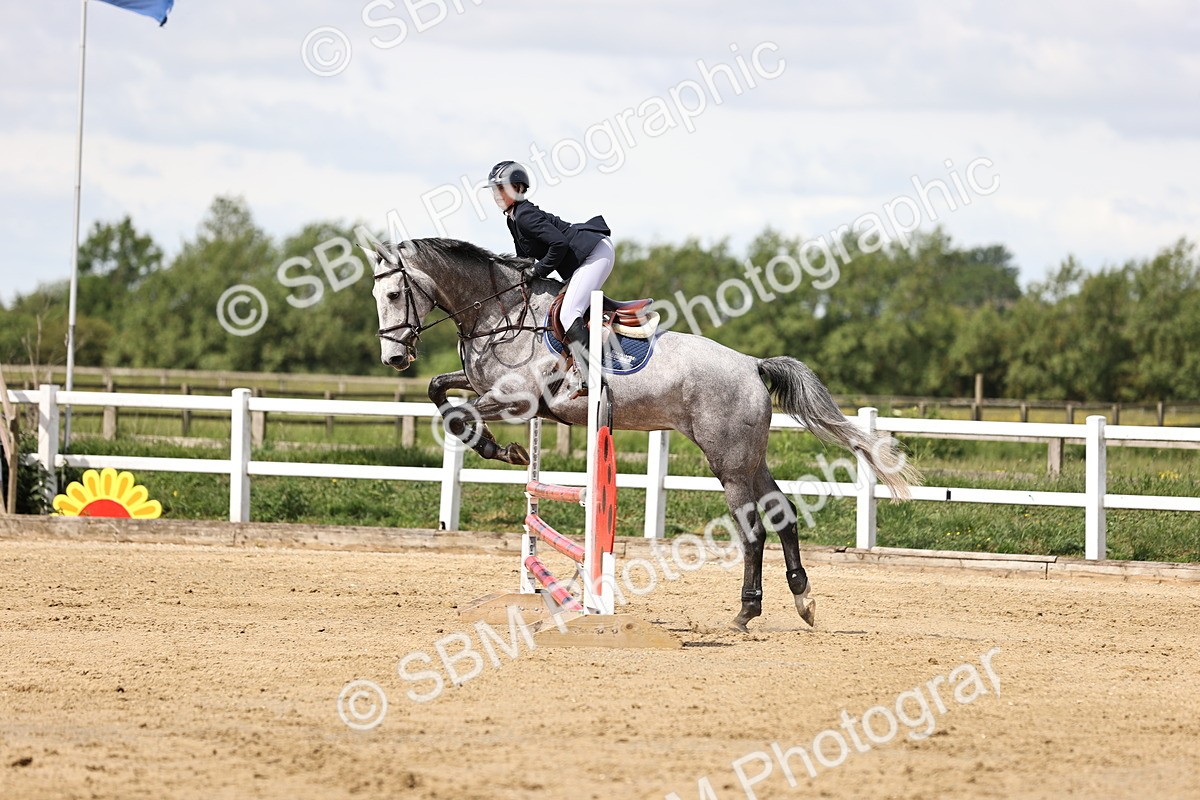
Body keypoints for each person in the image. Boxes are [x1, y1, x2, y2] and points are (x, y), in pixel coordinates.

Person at [488, 160, 613, 394]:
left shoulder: (524, 215)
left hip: (595, 253)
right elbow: (524, 259)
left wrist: (538, 271)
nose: (496, 195)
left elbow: (559, 243)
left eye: (500, 189)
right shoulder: (512, 218)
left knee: (568, 312)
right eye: (495, 190)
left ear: (517, 187)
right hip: (585, 257)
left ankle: (590, 374)